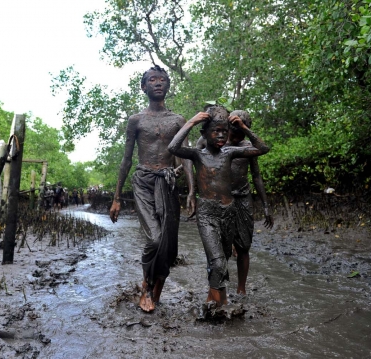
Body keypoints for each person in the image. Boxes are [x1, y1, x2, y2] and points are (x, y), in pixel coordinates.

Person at [109, 65, 197, 312]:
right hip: (144, 181)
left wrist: (191, 190)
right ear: (144, 86)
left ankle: (157, 290)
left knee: (169, 246)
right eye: (152, 80)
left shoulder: (178, 120)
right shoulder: (136, 120)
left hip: (168, 182)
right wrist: (116, 197)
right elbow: (126, 159)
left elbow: (184, 157)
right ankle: (146, 287)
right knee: (155, 239)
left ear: (168, 86)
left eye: (162, 80)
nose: (158, 83)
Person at [168, 106, 269, 307]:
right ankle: (220, 303)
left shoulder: (230, 152)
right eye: (216, 131)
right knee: (217, 260)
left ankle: (216, 298)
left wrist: (244, 128)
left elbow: (263, 148)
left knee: (222, 259)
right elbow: (173, 147)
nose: (221, 135)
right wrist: (191, 121)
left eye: (225, 131)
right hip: (207, 213)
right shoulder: (197, 154)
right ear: (204, 134)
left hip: (229, 211)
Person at [196, 110, 274, 295]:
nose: (237, 136)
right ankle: (216, 288)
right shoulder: (218, 144)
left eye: (241, 132)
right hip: (220, 200)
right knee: (218, 249)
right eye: (234, 130)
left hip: (243, 198)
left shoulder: (247, 146)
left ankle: (241, 288)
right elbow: (198, 152)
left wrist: (265, 206)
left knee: (244, 246)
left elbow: (256, 175)